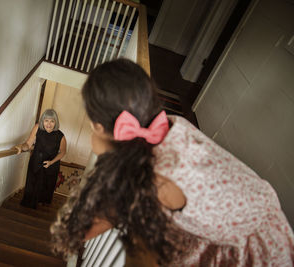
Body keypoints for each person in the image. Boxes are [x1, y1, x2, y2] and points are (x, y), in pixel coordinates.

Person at [51, 59, 294, 266]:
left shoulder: (159, 178)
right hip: (259, 205)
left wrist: (103, 149)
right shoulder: (168, 123)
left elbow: (83, 230)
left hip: (257, 248)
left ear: (99, 127)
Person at [15, 109, 66, 209]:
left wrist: (51, 162)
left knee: (45, 189)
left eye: (52, 121)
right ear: (42, 121)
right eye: (46, 120)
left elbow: (63, 152)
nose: (49, 124)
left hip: (50, 165)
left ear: (56, 122)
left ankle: (42, 206)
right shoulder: (37, 128)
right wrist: (21, 147)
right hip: (36, 162)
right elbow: (28, 144)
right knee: (32, 186)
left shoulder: (61, 136)